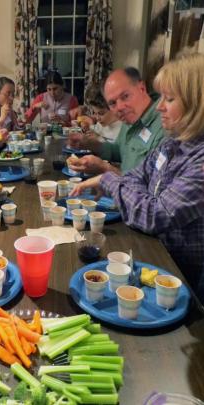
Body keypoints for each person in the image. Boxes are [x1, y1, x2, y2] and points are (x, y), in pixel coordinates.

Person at [71, 53, 204, 299]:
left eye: (170, 98)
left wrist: (106, 179)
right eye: (161, 97)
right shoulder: (174, 142)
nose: (160, 105)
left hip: (182, 279)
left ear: (197, 102)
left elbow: (154, 214)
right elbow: (134, 176)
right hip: (153, 253)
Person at [68, 67, 164, 175]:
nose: (120, 107)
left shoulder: (164, 125)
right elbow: (119, 150)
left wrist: (105, 169)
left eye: (125, 96)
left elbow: (150, 187)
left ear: (142, 88)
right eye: (112, 103)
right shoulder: (129, 117)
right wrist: (90, 143)